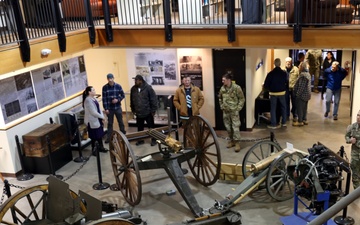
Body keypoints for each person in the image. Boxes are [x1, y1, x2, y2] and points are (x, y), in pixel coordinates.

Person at [219, 73, 245, 152]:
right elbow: (220, 98)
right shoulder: (222, 89)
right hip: (226, 111)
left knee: (235, 127)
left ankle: (237, 143)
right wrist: (221, 106)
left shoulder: (237, 88)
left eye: (224, 80)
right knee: (228, 127)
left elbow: (242, 99)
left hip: (234, 111)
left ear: (228, 80)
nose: (222, 81)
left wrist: (238, 108)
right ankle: (232, 141)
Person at [130, 75, 158, 146]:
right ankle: (140, 140)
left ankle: (154, 139)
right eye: (135, 80)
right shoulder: (133, 89)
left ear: (140, 80)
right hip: (138, 112)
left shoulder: (148, 88)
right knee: (140, 128)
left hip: (148, 112)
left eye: (136, 80)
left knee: (151, 127)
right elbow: (132, 100)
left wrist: (153, 110)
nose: (135, 81)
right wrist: (133, 109)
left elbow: (153, 99)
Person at [83, 86, 108, 156]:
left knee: (100, 134)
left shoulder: (93, 99)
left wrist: (102, 117)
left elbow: (99, 109)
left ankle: (101, 147)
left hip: (97, 119)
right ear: (89, 92)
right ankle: (94, 149)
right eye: (93, 90)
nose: (94, 91)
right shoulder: (88, 100)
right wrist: (102, 117)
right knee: (94, 136)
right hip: (92, 121)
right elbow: (93, 112)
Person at [263, 58, 287, 129]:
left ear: (274, 64)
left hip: (273, 93)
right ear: (280, 64)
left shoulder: (270, 74)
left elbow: (266, 85)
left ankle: (273, 124)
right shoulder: (284, 73)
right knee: (283, 107)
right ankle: (284, 122)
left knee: (273, 109)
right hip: (282, 93)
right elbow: (286, 82)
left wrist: (269, 89)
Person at [102, 73, 126, 143]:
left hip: (117, 107)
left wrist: (117, 100)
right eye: (109, 79)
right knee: (110, 123)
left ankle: (123, 135)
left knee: (120, 121)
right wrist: (106, 108)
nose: (110, 80)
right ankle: (109, 138)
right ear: (107, 79)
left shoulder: (118, 86)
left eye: (111, 79)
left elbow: (123, 95)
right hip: (110, 108)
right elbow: (104, 98)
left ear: (113, 78)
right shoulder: (105, 87)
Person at [293, 62, 311, 126]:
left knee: (300, 108)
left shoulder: (303, 75)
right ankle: (304, 119)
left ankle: (300, 121)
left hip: (302, 95)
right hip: (307, 95)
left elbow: (301, 87)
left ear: (302, 67)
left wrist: (297, 95)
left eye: (299, 66)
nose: (298, 67)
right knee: (304, 108)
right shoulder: (308, 74)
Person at [345, 110, 360, 189]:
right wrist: (350, 140)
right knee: (355, 174)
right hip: (355, 154)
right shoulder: (352, 127)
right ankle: (357, 192)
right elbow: (346, 137)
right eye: (358, 115)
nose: (358, 117)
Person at [284, 57, 299, 122]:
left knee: (294, 102)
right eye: (287, 62)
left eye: (289, 62)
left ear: (291, 62)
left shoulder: (296, 69)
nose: (288, 64)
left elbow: (299, 78)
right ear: (285, 63)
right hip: (286, 88)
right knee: (286, 102)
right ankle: (287, 115)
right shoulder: (283, 70)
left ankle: (295, 115)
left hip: (294, 89)